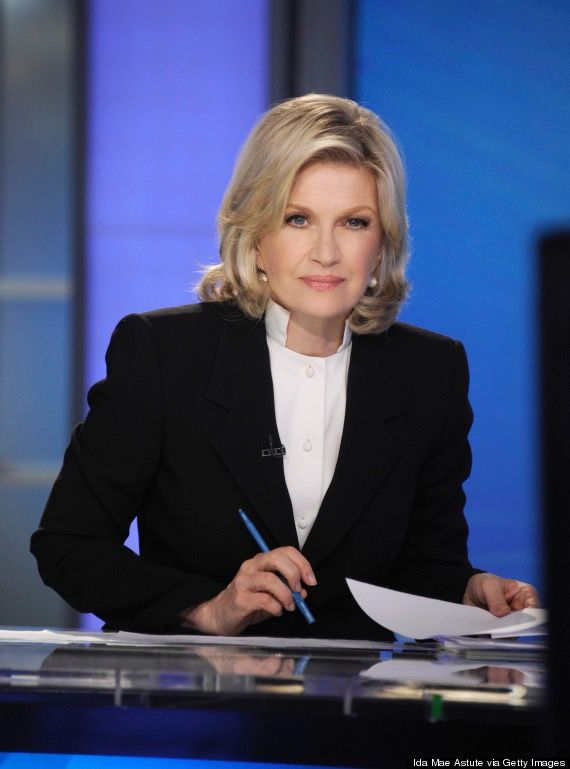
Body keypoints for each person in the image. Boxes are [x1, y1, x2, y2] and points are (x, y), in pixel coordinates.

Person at [30, 94, 538, 640]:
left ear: (383, 241)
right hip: (198, 704)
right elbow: (69, 546)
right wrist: (206, 608)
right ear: (255, 234)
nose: (325, 252)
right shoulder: (162, 353)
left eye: (354, 222)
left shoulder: (430, 371)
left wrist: (467, 590)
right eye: (298, 219)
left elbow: (423, 565)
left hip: (356, 707)